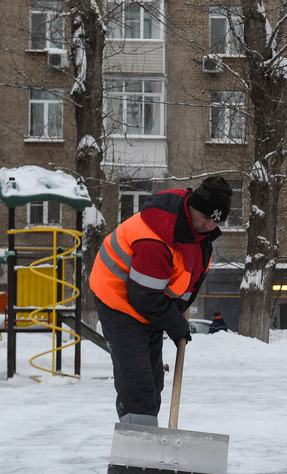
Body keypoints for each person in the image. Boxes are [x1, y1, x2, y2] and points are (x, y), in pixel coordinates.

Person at [90, 176, 232, 426]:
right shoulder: (157, 238)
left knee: (154, 379)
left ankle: (149, 443)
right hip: (118, 298)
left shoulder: (198, 236)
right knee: (137, 380)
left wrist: (175, 313)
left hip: (151, 303)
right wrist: (175, 323)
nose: (210, 225)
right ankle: (137, 448)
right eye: (206, 217)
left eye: (217, 220)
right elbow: (143, 296)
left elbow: (184, 282)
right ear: (192, 206)